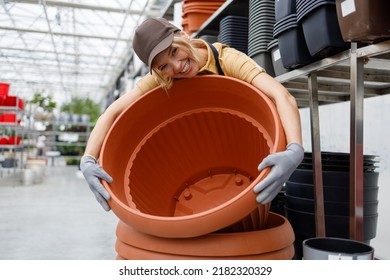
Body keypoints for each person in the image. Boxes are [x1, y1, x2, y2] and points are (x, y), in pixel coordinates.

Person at [80, 18, 304, 211]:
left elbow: (280, 96)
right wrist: (88, 159)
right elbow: (111, 114)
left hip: (245, 159)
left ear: (183, 35)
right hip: (203, 160)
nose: (176, 67)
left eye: (174, 51)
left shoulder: (226, 59)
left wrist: (294, 149)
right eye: (163, 66)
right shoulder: (161, 79)